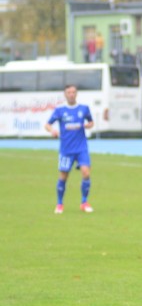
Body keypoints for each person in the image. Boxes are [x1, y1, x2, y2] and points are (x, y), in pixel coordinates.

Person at [45, 85, 95, 214]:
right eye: (69, 92)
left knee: (86, 173)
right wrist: (52, 131)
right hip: (66, 149)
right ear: (65, 94)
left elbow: (91, 122)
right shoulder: (60, 110)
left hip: (81, 148)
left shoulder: (84, 109)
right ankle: (59, 204)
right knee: (63, 177)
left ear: (76, 94)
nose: (71, 94)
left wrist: (88, 125)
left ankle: (84, 202)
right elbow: (47, 125)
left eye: (73, 92)